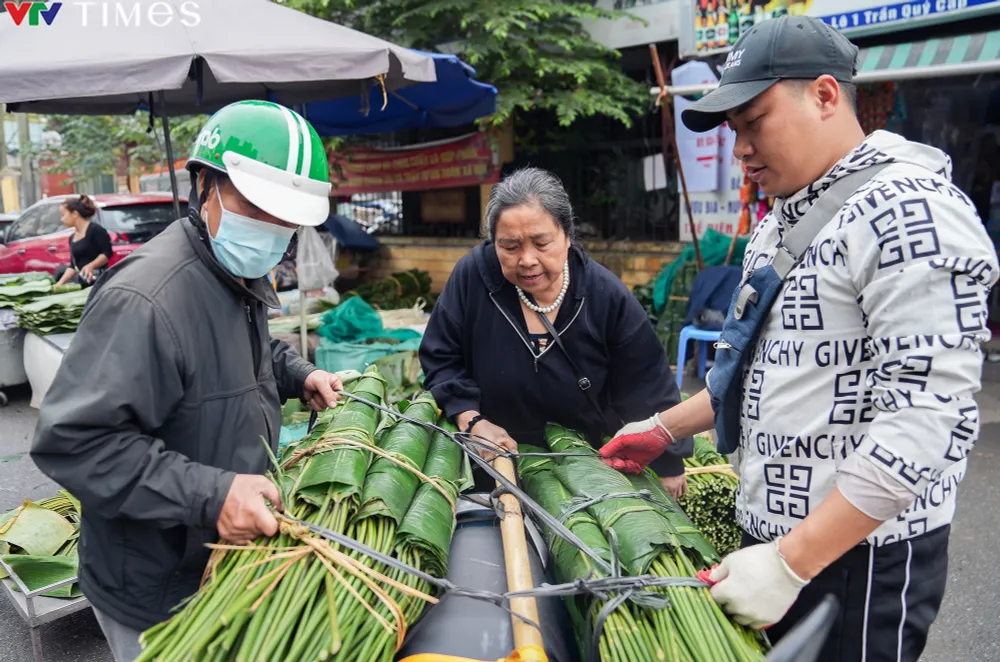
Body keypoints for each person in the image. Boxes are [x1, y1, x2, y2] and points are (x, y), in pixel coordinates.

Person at [600, 16, 999, 661]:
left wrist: (792, 561)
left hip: (856, 558)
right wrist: (665, 428)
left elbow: (929, 417)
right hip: (768, 541)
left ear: (823, 95)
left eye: (754, 121)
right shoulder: (785, 216)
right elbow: (758, 370)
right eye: (734, 131)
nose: (742, 150)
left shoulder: (910, 211)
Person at [31, 100, 345, 662]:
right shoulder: (145, 298)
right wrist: (213, 493)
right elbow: (74, 442)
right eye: (258, 206)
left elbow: (236, 355)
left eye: (287, 216)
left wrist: (300, 374)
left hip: (213, 564)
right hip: (154, 586)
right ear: (205, 185)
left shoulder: (233, 270)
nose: (275, 229)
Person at [419, 167, 692, 496]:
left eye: (541, 243)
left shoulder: (604, 294)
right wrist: (472, 420)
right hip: (491, 459)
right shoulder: (473, 278)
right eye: (510, 246)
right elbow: (441, 356)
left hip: (586, 467)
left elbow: (646, 382)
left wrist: (668, 464)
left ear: (567, 235)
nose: (527, 260)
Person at [54, 194, 113, 287]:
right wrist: (59, 284)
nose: (62, 219)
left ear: (75, 214)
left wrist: (91, 266)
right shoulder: (72, 238)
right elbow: (73, 266)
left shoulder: (96, 230)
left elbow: (106, 253)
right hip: (84, 283)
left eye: (63, 215)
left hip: (99, 282)